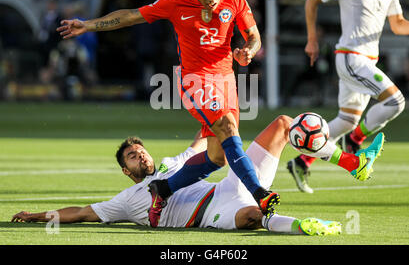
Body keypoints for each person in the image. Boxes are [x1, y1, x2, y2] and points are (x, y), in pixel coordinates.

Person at [57, 0, 278, 227]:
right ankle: (260, 194)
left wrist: (248, 51)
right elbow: (132, 15)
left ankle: (163, 190)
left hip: (226, 79)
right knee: (228, 127)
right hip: (195, 79)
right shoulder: (176, 1)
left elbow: (254, 36)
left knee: (217, 157)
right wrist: (89, 24)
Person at [13, 113, 385, 235]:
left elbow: (205, 138)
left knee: (286, 124)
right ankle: (303, 225)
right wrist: (35, 215)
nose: (138, 153)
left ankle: (355, 164)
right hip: (210, 215)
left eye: (139, 148)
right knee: (253, 215)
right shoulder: (124, 202)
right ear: (125, 171)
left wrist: (213, 109)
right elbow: (79, 214)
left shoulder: (174, 164)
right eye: (131, 155)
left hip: (228, 183)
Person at [287, 0, 407, 194]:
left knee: (346, 120)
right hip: (352, 58)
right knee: (396, 102)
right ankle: (356, 140)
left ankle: (302, 160)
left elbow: (397, 25)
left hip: (367, 60)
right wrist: (312, 39)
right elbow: (312, 0)